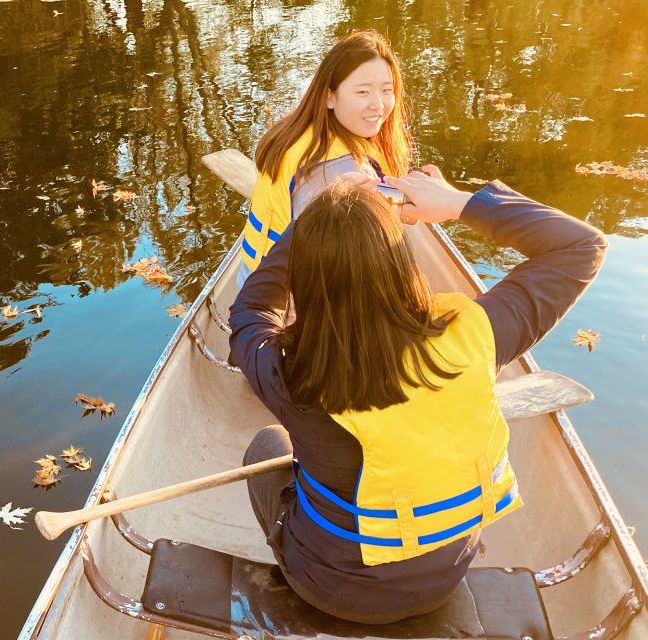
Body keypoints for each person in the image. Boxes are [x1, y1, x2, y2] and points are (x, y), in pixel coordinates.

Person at [228, 167, 607, 623]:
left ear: (306, 277)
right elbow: (582, 245)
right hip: (444, 578)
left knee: (269, 443)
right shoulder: (479, 334)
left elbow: (250, 310)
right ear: (402, 263)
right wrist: (460, 202)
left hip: (328, 588)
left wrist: (311, 226)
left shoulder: (286, 371)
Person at [237, 30, 413, 289]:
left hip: (253, 280)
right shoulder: (338, 171)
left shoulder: (300, 133)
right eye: (363, 92)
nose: (379, 104)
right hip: (290, 305)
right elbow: (346, 271)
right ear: (330, 96)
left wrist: (405, 199)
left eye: (387, 90)